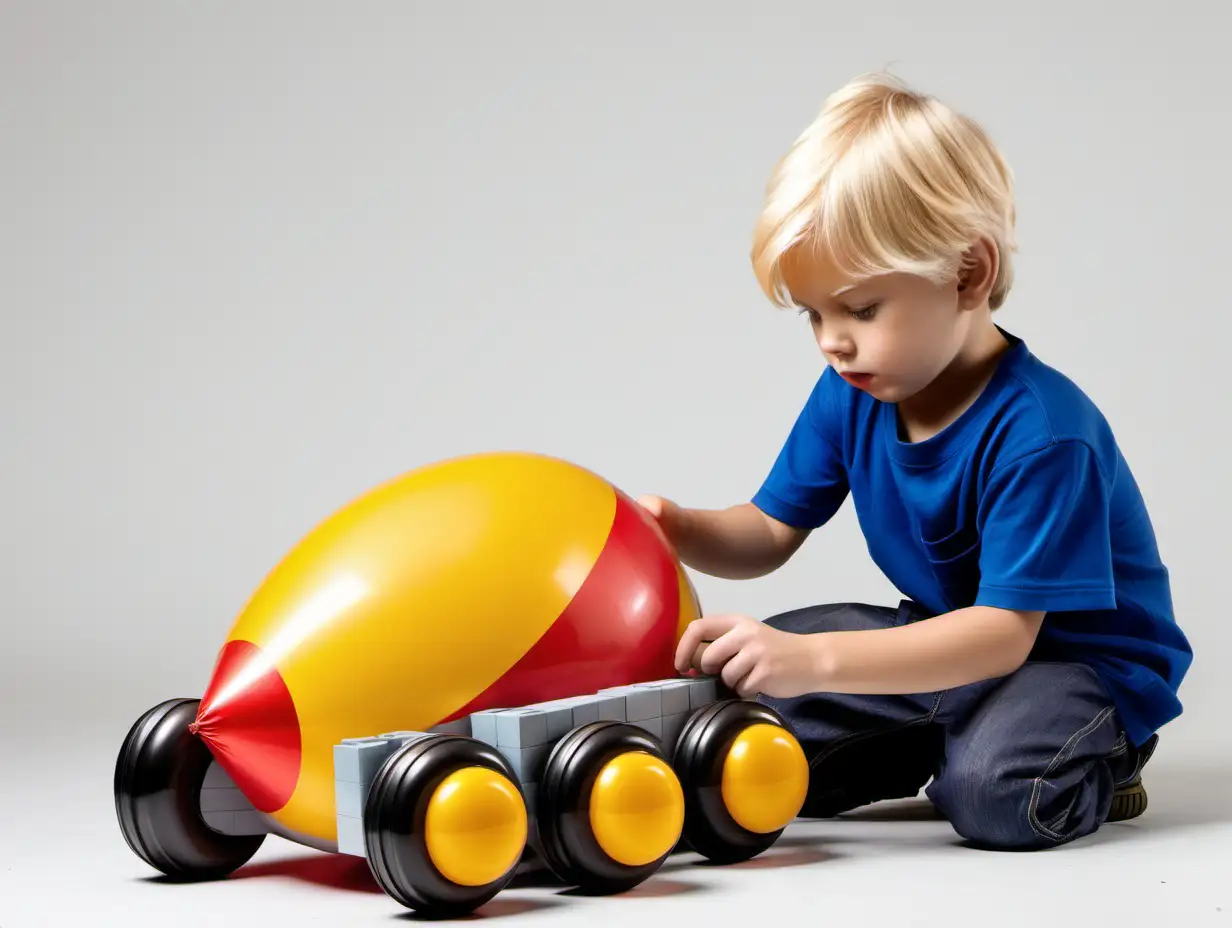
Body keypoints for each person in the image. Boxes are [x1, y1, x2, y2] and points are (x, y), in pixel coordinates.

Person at [638, 72, 1192, 851]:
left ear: (969, 274)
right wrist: (675, 528)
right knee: (741, 717)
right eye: (815, 314)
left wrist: (819, 661)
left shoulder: (1042, 435)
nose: (833, 340)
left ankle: (1100, 757)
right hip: (944, 637)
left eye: (861, 309)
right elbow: (765, 531)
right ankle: (950, 730)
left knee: (998, 797)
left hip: (1076, 665)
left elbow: (1004, 635)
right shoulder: (854, 390)